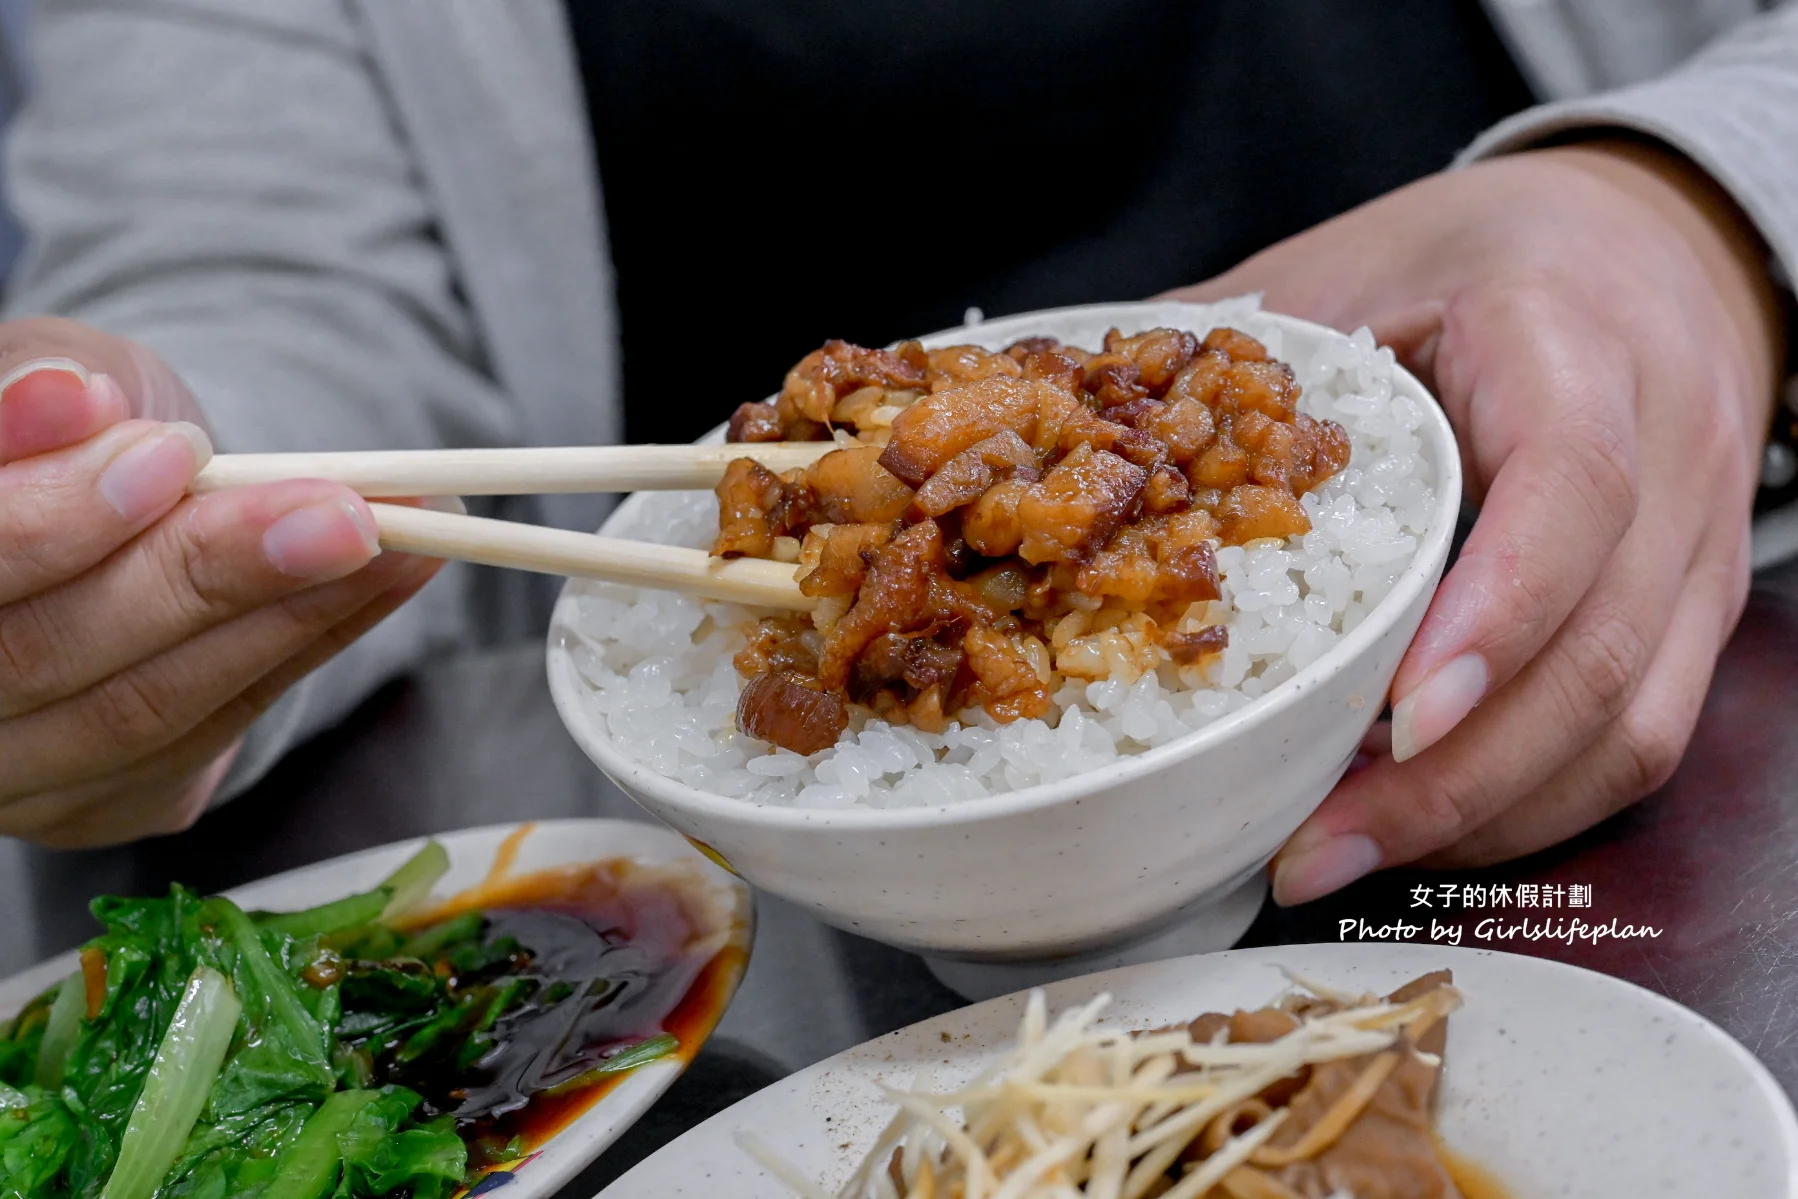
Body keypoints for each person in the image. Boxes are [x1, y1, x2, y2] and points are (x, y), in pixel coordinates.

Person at [0, 3, 1791, 906]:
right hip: (785, 949)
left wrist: (1696, 206)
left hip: (1685, 737)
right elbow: (256, 281)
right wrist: (116, 506)